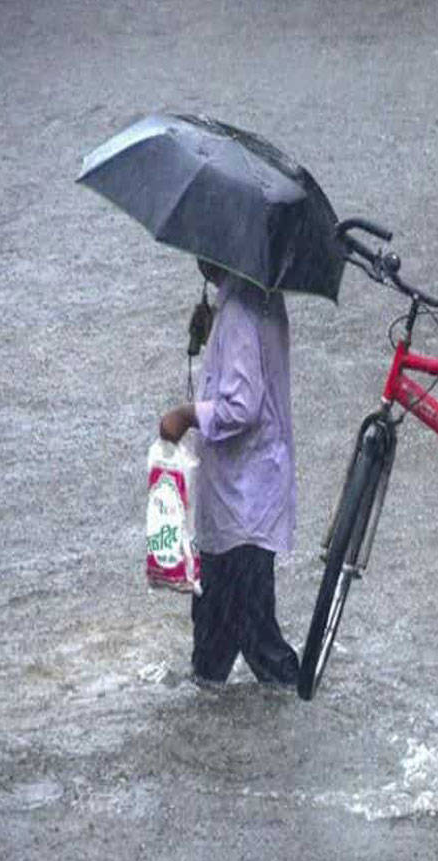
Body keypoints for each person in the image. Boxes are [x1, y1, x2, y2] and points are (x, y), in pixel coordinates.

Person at [159, 260, 300, 686]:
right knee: (211, 640)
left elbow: (241, 407)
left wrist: (185, 415)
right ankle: (217, 709)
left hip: (243, 502)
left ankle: (299, 699)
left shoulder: (239, 311)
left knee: (256, 637)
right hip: (241, 500)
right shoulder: (260, 297)